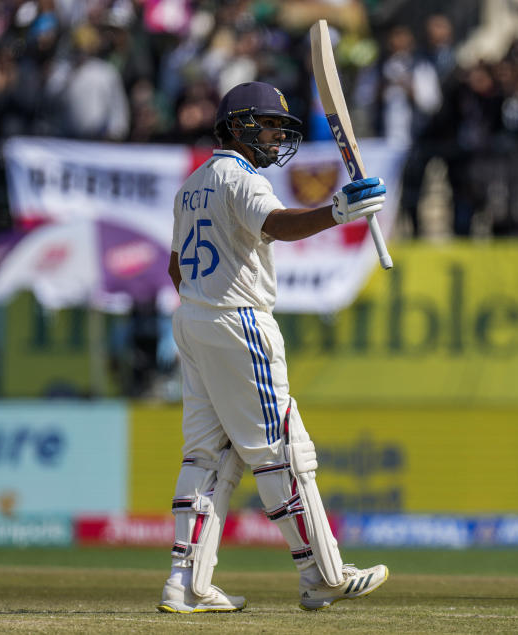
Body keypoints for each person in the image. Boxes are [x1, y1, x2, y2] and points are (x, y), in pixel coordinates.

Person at [157, 81, 389, 613]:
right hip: (239, 322)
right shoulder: (240, 178)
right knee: (283, 450)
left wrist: (205, 307)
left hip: (193, 320)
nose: (276, 136)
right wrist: (339, 210)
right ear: (237, 126)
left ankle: (185, 581)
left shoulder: (192, 183)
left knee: (207, 456)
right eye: (269, 125)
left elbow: (175, 267)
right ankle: (322, 575)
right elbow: (278, 226)